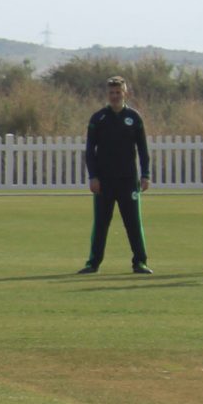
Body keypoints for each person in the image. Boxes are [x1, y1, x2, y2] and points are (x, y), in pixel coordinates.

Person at [80, 75, 152, 275]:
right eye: (111, 93)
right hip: (104, 181)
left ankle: (140, 262)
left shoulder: (134, 118)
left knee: (133, 222)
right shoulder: (98, 118)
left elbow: (143, 150)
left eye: (118, 92)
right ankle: (93, 263)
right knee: (101, 223)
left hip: (128, 180)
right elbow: (89, 151)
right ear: (107, 94)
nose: (115, 96)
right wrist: (93, 176)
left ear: (125, 93)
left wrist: (145, 174)